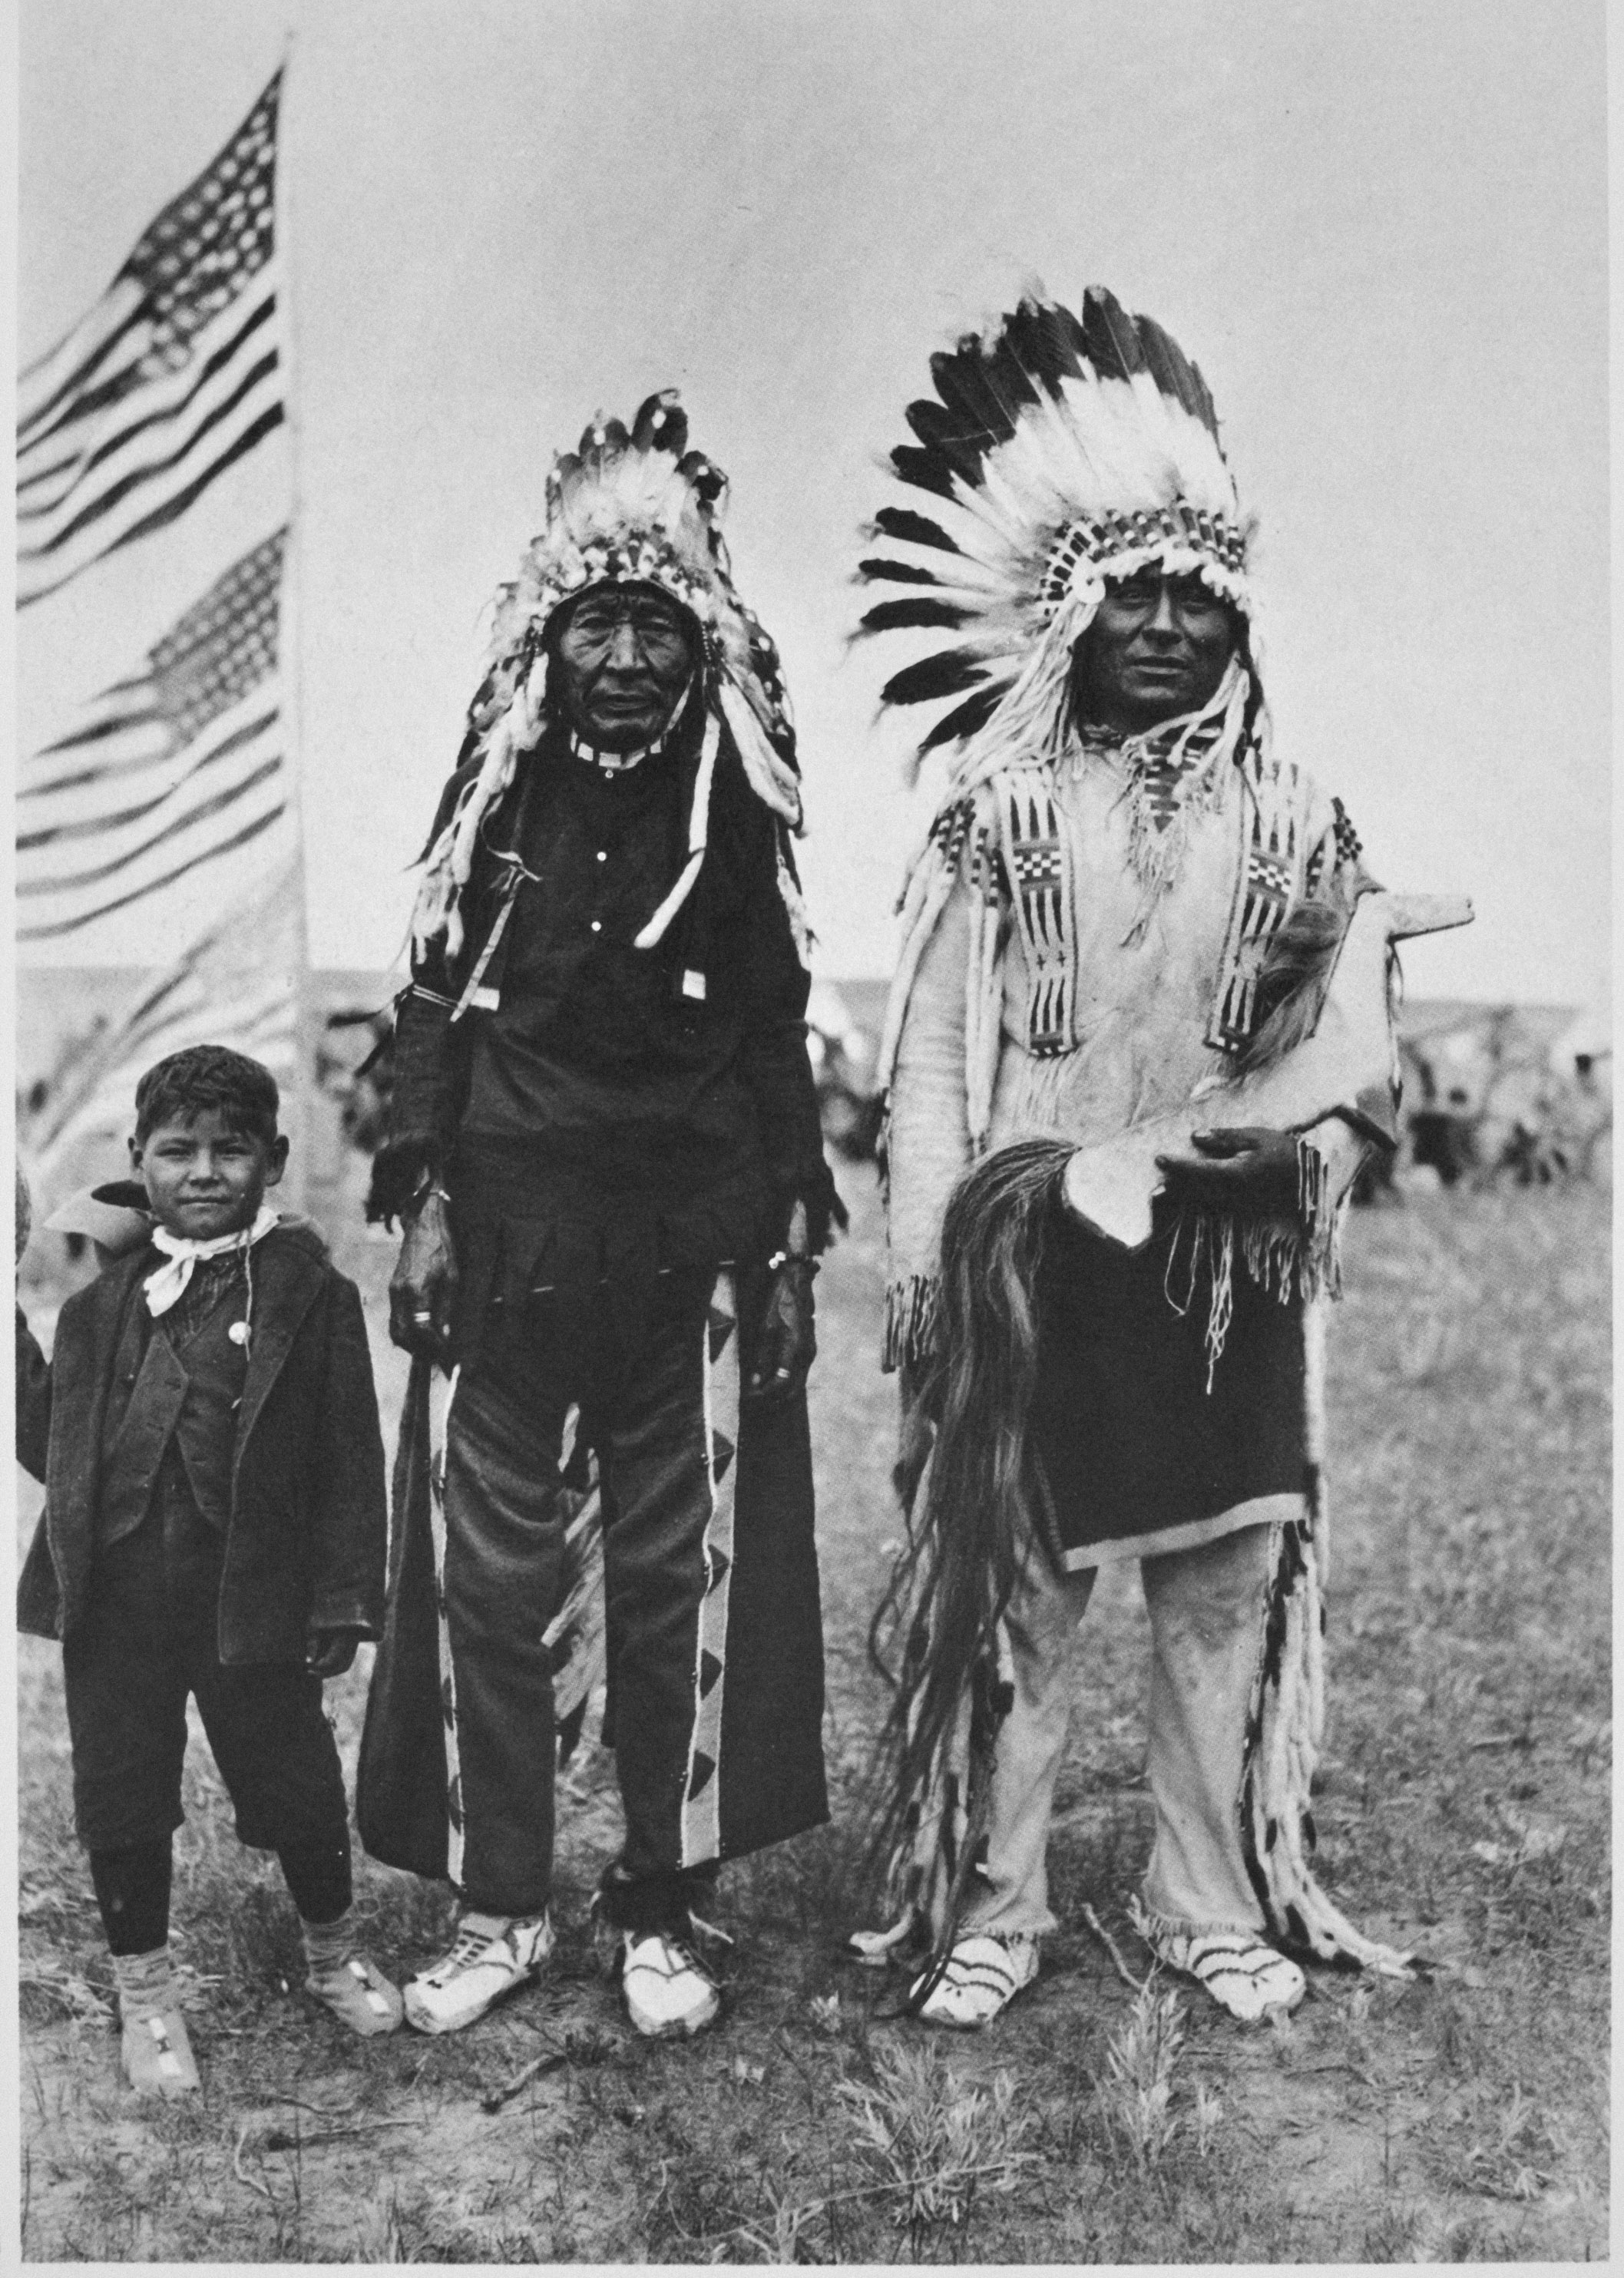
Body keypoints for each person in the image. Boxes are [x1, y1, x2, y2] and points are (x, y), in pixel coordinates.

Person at [858, 287, 1467, 2026]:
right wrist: (921, 1269)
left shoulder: (1298, 826)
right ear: (1067, 620)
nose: (1160, 627)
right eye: (1128, 597)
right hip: (1028, 1245)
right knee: (1014, 1594)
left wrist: (1292, 1163)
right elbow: (933, 1061)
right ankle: (993, 1909)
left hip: (1220, 1260)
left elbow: (1344, 1064)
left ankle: (1206, 1897)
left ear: (1239, 633)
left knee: (1220, 1588)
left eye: (1197, 603)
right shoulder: (998, 820)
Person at [361, 392, 835, 2041]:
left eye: (652, 628)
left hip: (687, 1251)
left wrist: (783, 1248)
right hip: (502, 1248)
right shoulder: (496, 808)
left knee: (673, 1583)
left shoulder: (738, 819)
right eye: (596, 629)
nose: (623, 660)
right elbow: (430, 1015)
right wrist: (417, 1203)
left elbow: (774, 1043)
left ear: (699, 647)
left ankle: (661, 1905)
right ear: (545, 649)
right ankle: (499, 1902)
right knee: (485, 1591)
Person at [15, 1046, 399, 2098]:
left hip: (256, 1600)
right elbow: (47, 1442)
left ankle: (332, 1953)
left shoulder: (308, 1292)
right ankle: (146, 1999)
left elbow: (349, 1462)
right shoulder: (99, 1307)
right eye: (176, 1150)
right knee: (122, 1796)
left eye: (231, 1150)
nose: (202, 1171)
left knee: (297, 1780)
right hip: (119, 1601)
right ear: (137, 1160)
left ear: (274, 1160)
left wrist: (341, 1597)